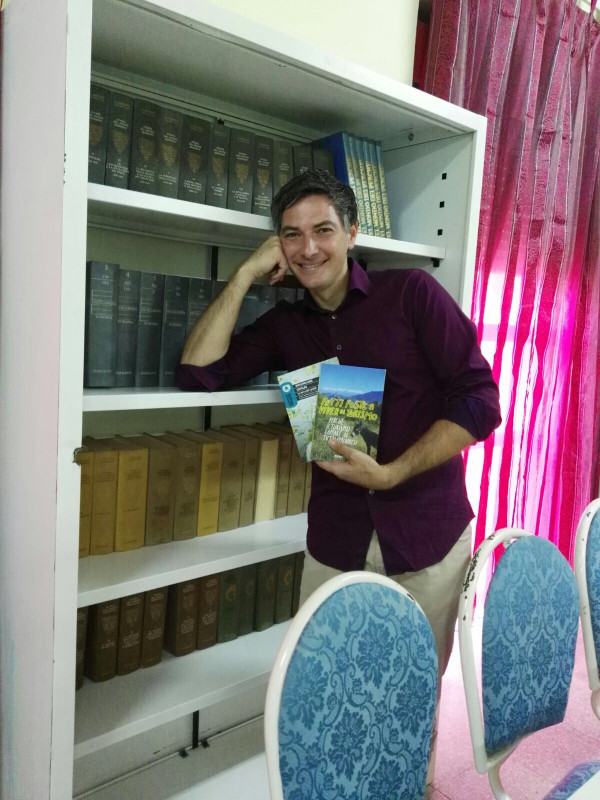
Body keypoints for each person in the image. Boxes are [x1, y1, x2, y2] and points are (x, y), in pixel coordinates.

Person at [176, 170, 501, 769]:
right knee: (326, 692)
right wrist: (245, 274)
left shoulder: (412, 294)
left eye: (323, 230)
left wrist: (393, 473)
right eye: (291, 235)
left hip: (426, 538)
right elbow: (198, 374)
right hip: (336, 540)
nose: (308, 248)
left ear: (352, 233)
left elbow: (481, 402)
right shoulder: (286, 325)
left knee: (409, 700)